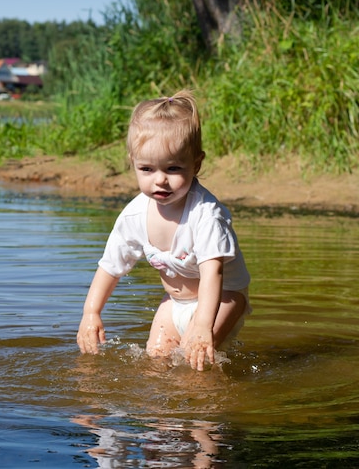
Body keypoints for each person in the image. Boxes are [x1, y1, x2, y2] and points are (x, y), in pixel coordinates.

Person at [76, 90, 251, 371]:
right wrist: (91, 313)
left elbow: (212, 272)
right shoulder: (135, 215)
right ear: (132, 162)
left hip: (223, 299)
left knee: (192, 364)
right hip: (174, 303)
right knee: (156, 363)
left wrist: (203, 325)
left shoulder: (205, 214)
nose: (160, 180)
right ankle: (161, 418)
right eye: (146, 169)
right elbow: (110, 266)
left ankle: (208, 413)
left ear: (196, 164)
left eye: (172, 168)